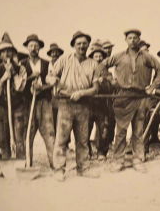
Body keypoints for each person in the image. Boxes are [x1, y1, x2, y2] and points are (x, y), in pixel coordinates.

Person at [97, 29, 160, 173]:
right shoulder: (119, 56)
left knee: (138, 130)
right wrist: (111, 79)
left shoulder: (147, 57)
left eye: (135, 38)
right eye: (130, 38)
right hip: (123, 96)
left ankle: (137, 159)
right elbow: (101, 66)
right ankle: (119, 160)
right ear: (126, 40)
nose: (133, 40)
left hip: (141, 97)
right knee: (121, 130)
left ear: (139, 39)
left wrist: (152, 86)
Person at [47, 31, 100, 181]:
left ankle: (83, 168)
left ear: (88, 45)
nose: (82, 46)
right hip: (65, 103)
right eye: (78, 43)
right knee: (62, 138)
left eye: (84, 43)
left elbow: (95, 88)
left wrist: (82, 93)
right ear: (73, 45)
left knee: (83, 140)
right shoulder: (64, 59)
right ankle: (59, 169)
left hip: (84, 105)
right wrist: (52, 79)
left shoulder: (93, 64)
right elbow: (50, 75)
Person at [21, 34, 55, 169]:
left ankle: (54, 163)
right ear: (27, 48)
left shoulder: (47, 63)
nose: (33, 48)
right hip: (27, 103)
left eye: (36, 46)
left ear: (40, 48)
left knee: (49, 133)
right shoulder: (21, 64)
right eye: (31, 46)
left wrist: (42, 87)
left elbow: (53, 82)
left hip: (44, 102)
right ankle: (27, 163)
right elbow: (19, 84)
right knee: (27, 133)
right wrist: (30, 78)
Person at [0, 32, 27, 159]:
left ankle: (21, 162)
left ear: (13, 53)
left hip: (18, 107)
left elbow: (20, 87)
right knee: (3, 138)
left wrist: (14, 74)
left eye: (9, 51)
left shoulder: (20, 68)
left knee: (19, 137)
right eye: (3, 52)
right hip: (1, 108)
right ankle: (6, 163)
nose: (6, 54)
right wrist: (3, 79)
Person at [87, 45, 112, 160]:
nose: (98, 58)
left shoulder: (107, 73)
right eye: (95, 56)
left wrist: (104, 82)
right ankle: (86, 150)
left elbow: (111, 88)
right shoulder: (86, 70)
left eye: (100, 56)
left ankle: (101, 152)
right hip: (88, 103)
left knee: (103, 127)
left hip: (102, 104)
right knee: (85, 128)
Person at [47, 43, 64, 133]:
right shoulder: (47, 65)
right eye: (53, 53)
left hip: (62, 92)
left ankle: (66, 142)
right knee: (53, 116)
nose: (55, 54)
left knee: (63, 118)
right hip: (51, 94)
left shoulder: (64, 63)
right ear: (50, 54)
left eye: (57, 52)